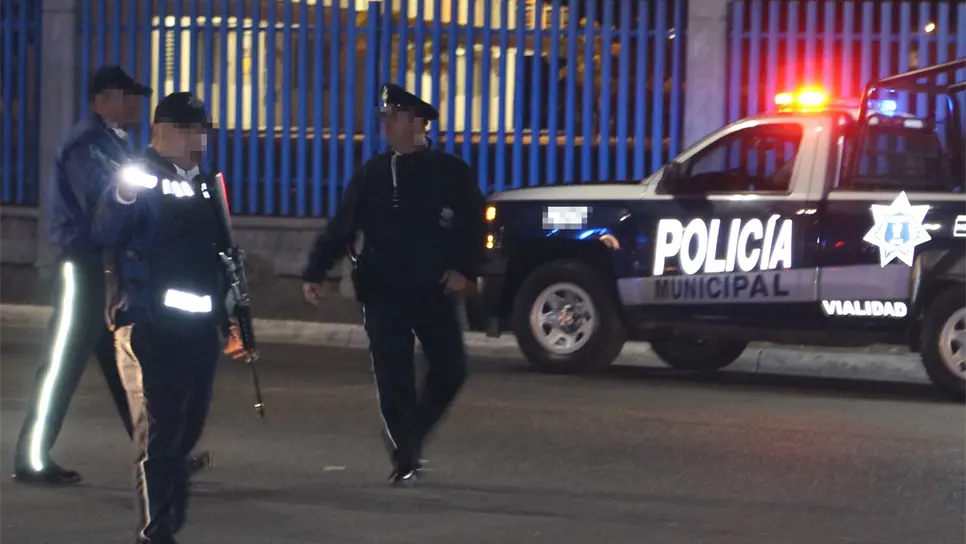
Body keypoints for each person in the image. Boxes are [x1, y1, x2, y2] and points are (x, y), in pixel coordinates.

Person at [301, 83, 487, 487]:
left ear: (418, 122)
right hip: (383, 290)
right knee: (393, 376)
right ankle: (406, 456)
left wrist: (464, 270)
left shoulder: (452, 172)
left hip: (433, 289)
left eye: (395, 117)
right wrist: (316, 270)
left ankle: (411, 434)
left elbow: (473, 226)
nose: (386, 124)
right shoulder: (373, 174)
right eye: (385, 117)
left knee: (452, 369)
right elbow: (342, 227)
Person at [92, 91, 229, 544]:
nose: (198, 139)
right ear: (160, 133)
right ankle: (157, 533)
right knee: (161, 438)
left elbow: (221, 255)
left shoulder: (206, 184)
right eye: (187, 130)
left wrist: (229, 314)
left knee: (185, 434)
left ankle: (168, 520)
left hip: (199, 330)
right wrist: (124, 194)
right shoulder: (141, 177)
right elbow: (107, 228)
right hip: (149, 324)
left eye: (201, 130)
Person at [12, 65, 149, 485]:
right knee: (61, 363)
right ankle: (31, 457)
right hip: (79, 264)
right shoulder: (86, 144)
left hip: (101, 265)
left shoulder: (111, 143)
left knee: (122, 364)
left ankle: (154, 446)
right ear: (101, 101)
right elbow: (100, 203)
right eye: (126, 96)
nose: (135, 104)